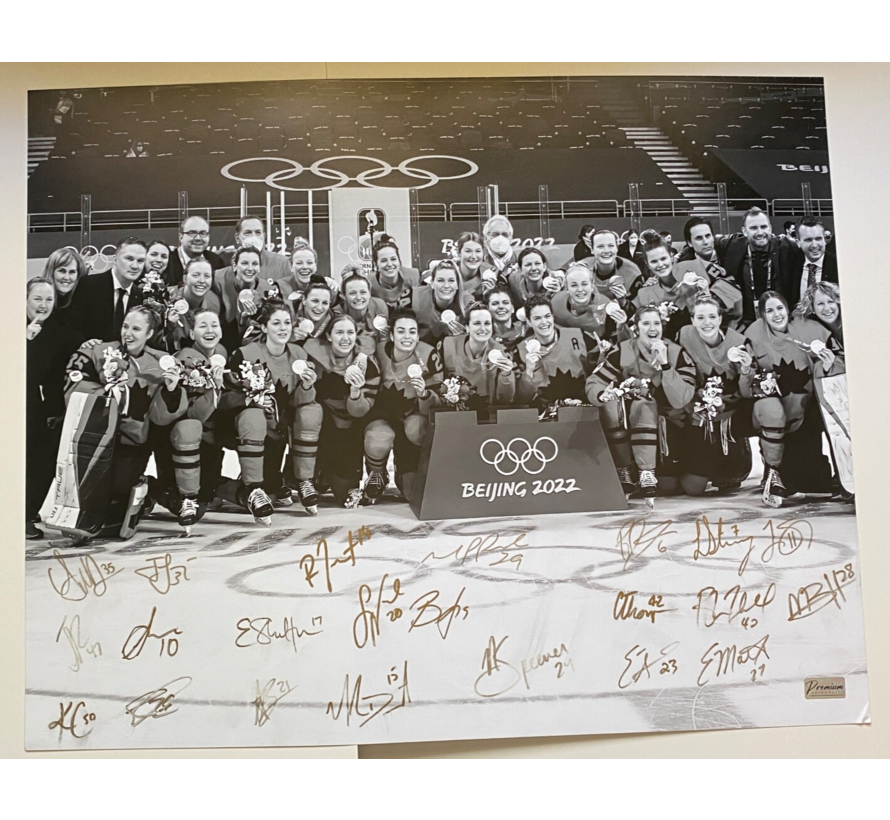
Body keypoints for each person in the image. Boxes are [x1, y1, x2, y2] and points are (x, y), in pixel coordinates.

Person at [59, 305, 186, 539]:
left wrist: (171, 389)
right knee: (92, 502)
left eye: (136, 328)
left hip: (132, 444)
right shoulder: (99, 351)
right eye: (126, 326)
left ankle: (147, 489)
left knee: (116, 519)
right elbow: (73, 384)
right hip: (94, 443)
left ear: (149, 334)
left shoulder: (161, 363)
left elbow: (161, 416)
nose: (128, 333)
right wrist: (107, 392)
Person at [218, 298, 322, 522]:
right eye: (276, 323)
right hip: (246, 429)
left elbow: (300, 403)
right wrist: (249, 400)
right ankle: (251, 489)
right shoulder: (244, 354)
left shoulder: (299, 355)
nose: (283, 328)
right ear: (264, 327)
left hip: (278, 432)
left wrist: (306, 385)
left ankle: (303, 480)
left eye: (286, 323)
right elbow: (224, 400)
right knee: (254, 415)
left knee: (312, 411)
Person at [586, 304, 696, 503]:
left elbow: (681, 399)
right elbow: (595, 381)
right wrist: (602, 393)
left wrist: (665, 365)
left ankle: (649, 471)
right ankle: (626, 469)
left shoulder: (676, 352)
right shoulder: (623, 350)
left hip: (668, 425)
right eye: (646, 323)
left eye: (656, 323)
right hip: (630, 422)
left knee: (671, 485)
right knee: (619, 405)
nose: (652, 328)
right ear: (636, 328)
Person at [741, 291, 841, 507]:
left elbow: (832, 368)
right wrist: (746, 369)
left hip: (806, 412)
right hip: (777, 414)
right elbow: (747, 388)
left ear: (787, 309)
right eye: (769, 310)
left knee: (812, 482)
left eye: (779, 308)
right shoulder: (754, 335)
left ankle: (839, 473)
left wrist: (825, 365)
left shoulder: (809, 329)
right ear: (762, 315)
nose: (776, 314)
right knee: (789, 481)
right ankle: (772, 469)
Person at [149, 308, 227, 532]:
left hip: (205, 441)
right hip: (178, 442)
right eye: (203, 326)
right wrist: (215, 387)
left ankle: (229, 488)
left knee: (205, 500)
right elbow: (194, 417)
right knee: (194, 505)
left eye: (215, 325)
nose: (210, 330)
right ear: (191, 334)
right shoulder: (185, 360)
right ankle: (152, 489)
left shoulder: (219, 355)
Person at [363, 309, 443, 503]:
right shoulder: (379, 351)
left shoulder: (429, 355)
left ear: (417, 335)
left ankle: (405, 469)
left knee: (412, 495)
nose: (407, 336)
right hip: (382, 415)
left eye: (412, 331)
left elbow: (438, 403)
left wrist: (424, 394)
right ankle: (377, 473)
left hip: (412, 417)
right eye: (401, 331)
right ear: (391, 334)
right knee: (379, 436)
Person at [677, 294, 753, 496]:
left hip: (731, 414)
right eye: (700, 318)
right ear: (692, 320)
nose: (706, 322)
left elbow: (747, 393)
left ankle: (745, 459)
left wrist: (746, 370)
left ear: (720, 318)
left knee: (729, 477)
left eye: (712, 316)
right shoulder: (684, 335)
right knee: (694, 488)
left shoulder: (739, 342)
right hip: (699, 413)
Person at [303, 314, 382, 507]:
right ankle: (312, 472)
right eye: (339, 332)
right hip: (324, 426)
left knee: (346, 494)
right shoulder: (312, 356)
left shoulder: (369, 365)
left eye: (350, 332)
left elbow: (360, 412)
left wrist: (355, 392)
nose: (345, 338)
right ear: (329, 336)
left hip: (352, 427)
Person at [26, 278, 83, 538]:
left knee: (43, 459)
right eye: (37, 298)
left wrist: (90, 344)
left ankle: (25, 512)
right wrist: (26, 340)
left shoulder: (54, 331)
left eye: (49, 299)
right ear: (25, 299)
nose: (43, 305)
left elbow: (75, 343)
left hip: (39, 409)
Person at [693, 207, 792, 327]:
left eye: (764, 227)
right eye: (754, 228)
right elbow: (703, 244)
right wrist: (679, 257)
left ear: (770, 228)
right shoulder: (733, 244)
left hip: (780, 320)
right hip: (745, 322)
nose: (760, 232)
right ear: (744, 231)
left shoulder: (787, 247)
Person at [516, 294, 603, 411]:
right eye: (537, 318)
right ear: (529, 322)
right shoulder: (521, 350)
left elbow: (600, 376)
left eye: (547, 316)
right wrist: (529, 372)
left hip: (584, 411)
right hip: (544, 419)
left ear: (553, 317)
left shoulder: (580, 337)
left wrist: (603, 354)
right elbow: (521, 399)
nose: (544, 322)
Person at [440, 303, 517, 417]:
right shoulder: (447, 346)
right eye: (477, 323)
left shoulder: (502, 353)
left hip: (488, 417)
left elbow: (505, 400)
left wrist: (507, 375)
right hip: (453, 416)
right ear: (467, 327)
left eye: (487, 323)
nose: (483, 328)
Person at [66, 236, 146, 343]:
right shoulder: (88, 285)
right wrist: (83, 343)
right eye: (129, 259)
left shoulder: (138, 295)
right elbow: (71, 326)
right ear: (115, 260)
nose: (135, 266)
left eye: (140, 261)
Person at [634, 237, 708, 342]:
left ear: (671, 257)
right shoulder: (645, 294)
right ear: (647, 264)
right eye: (654, 261)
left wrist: (706, 292)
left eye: (663, 258)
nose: (660, 265)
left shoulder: (694, 275)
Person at [675, 217, 744, 327]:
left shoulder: (730, 256)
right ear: (690, 243)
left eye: (708, 236)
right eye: (699, 238)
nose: (705, 242)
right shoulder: (683, 266)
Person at [551, 262, 628, 347]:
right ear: (567, 288)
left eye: (584, 284)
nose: (580, 289)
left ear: (592, 286)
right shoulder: (556, 302)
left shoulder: (606, 306)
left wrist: (620, 327)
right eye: (574, 285)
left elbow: (619, 343)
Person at [214, 246, 274, 352]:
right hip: (219, 343)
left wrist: (244, 320)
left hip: (253, 347)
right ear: (235, 265)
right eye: (245, 263)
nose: (250, 268)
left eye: (255, 264)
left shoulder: (267, 291)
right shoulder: (217, 280)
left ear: (259, 268)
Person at [402, 259, 473, 345]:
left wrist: (465, 338)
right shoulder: (412, 297)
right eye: (440, 280)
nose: (446, 286)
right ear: (432, 283)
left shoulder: (469, 304)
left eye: (451, 280)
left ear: (457, 284)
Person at [571, 228, 644, 306]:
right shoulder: (582, 267)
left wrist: (623, 302)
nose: (606, 251)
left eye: (611, 246)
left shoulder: (633, 272)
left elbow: (637, 310)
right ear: (592, 249)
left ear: (617, 248)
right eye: (600, 246)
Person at [164, 258, 223, 351]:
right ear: (185, 279)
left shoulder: (214, 302)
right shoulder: (166, 297)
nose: (202, 281)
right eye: (196, 275)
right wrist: (169, 328)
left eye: (207, 276)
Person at [786, 216, 839, 306]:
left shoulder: (838, 265)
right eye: (808, 240)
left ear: (825, 240)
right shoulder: (789, 265)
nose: (814, 245)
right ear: (798, 242)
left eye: (818, 239)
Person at [163, 215, 225, 287]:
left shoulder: (216, 261)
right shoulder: (167, 260)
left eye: (203, 233)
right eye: (192, 233)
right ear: (181, 237)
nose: (198, 238)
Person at [337, 270, 389, 354]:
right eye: (352, 293)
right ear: (343, 296)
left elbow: (383, 340)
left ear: (369, 293)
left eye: (363, 292)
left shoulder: (379, 306)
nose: (358, 297)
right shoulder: (336, 314)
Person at [278, 240, 339, 308]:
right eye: (299, 263)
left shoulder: (328, 286)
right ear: (291, 267)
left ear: (315, 266)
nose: (305, 267)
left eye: (309, 263)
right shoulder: (280, 288)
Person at [228, 215, 290, 280]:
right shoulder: (227, 264)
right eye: (248, 233)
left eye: (258, 232)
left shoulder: (283, 264)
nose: (253, 237)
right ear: (237, 238)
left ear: (264, 236)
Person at [365, 238, 420, 310]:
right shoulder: (367, 283)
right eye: (383, 260)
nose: (390, 264)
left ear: (399, 261)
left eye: (393, 259)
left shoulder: (415, 275)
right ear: (376, 265)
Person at [794, 281, 843, 349]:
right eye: (820, 304)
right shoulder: (813, 330)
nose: (827, 308)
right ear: (812, 308)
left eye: (831, 302)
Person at [41, 247, 87, 318]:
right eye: (62, 271)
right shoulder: (39, 300)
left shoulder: (83, 301)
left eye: (72, 272)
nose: (66, 277)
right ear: (51, 272)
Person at [293, 276, 337, 342]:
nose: (319, 307)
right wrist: (288, 337)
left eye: (325, 303)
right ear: (304, 300)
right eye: (315, 301)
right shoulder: (289, 315)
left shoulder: (335, 324)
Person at [454, 231, 495, 300]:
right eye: (468, 251)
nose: (473, 256)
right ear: (459, 253)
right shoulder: (448, 272)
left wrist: (490, 295)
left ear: (483, 253)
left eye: (478, 251)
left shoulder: (492, 274)